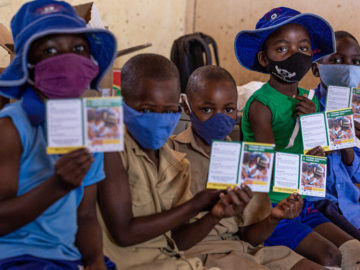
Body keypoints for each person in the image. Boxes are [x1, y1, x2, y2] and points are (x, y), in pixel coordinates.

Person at [97, 53, 254, 270]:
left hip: (175, 261)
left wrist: (214, 215)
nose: (159, 118)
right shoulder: (111, 149)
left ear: (180, 108)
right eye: (146, 110)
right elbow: (124, 233)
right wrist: (195, 204)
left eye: (170, 111)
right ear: (121, 102)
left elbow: (179, 241)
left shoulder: (176, 163)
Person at [170, 65, 328, 270]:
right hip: (202, 253)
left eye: (228, 109)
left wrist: (273, 217)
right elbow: (173, 241)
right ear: (185, 105)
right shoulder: (171, 154)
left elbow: (250, 236)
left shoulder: (248, 159)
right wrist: (213, 214)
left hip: (247, 249)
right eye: (207, 109)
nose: (219, 117)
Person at [235, 7, 359, 268]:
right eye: (282, 49)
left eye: (303, 49)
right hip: (269, 207)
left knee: (352, 249)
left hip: (303, 201)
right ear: (264, 58)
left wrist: (315, 128)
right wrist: (307, 160)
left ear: (311, 55)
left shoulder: (309, 99)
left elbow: (318, 157)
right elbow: (262, 166)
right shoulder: (261, 104)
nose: (294, 56)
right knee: (329, 256)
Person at [0, 0, 117, 269]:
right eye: (50, 50)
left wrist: (95, 262)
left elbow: (86, 214)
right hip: (15, 257)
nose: (68, 59)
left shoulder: (94, 124)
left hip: (65, 257)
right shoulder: (11, 128)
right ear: (28, 64)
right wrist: (58, 185)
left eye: (78, 49)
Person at [310, 30, 360, 242]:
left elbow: (357, 175)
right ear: (316, 68)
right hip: (319, 205)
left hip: (351, 204)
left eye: (356, 61)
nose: (348, 67)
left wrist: (345, 144)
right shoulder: (305, 107)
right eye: (337, 60)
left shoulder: (356, 110)